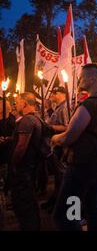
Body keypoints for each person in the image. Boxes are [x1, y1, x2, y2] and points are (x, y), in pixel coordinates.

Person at [51, 63, 97, 231]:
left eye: (81, 76)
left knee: (67, 213)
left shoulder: (90, 104)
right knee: (92, 206)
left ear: (93, 78)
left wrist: (55, 138)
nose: (78, 80)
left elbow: (70, 136)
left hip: (81, 167)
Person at [9, 93, 42, 230]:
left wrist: (13, 163)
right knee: (29, 200)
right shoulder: (35, 118)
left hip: (24, 169)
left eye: (17, 102)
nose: (15, 105)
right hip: (30, 167)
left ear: (24, 104)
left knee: (23, 202)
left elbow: (21, 146)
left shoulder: (27, 120)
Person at [41, 86, 69, 212]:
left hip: (60, 146)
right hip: (55, 145)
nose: (52, 95)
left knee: (62, 176)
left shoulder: (65, 108)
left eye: (54, 93)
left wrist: (49, 127)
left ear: (62, 94)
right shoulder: (58, 107)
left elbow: (67, 127)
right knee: (58, 176)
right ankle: (56, 200)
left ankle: (63, 205)